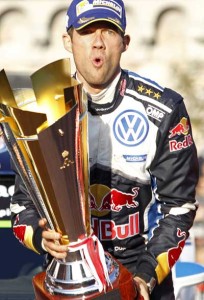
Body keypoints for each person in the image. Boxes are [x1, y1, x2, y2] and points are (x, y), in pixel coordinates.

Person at [10, 0, 199, 299]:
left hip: (139, 277)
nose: (98, 43)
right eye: (86, 32)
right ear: (67, 40)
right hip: (66, 281)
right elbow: (21, 205)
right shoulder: (39, 111)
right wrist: (41, 237)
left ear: (125, 43)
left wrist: (145, 276)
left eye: (108, 32)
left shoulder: (164, 110)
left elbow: (178, 207)